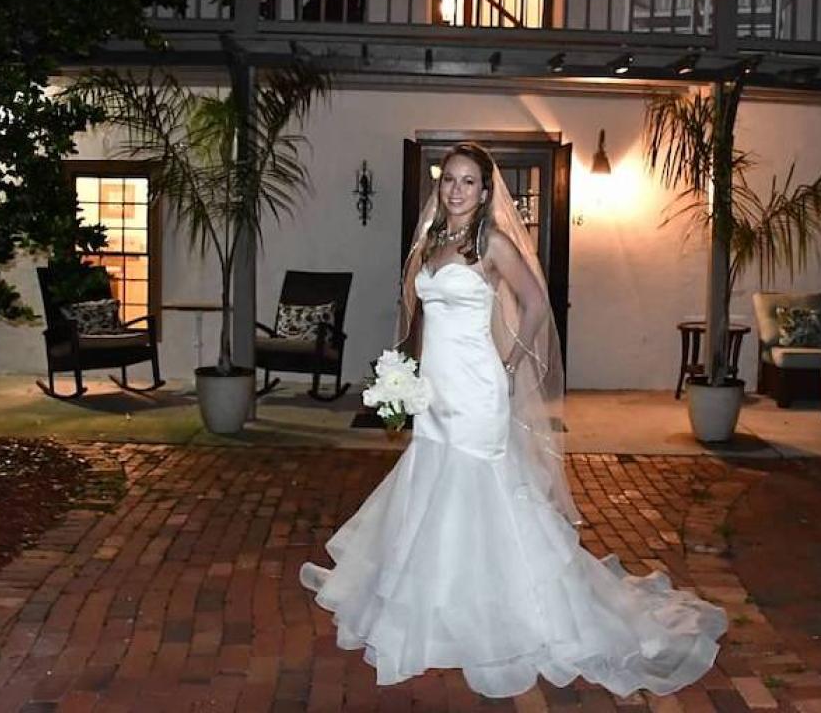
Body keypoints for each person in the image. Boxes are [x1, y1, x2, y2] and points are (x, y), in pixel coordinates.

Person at [300, 143, 726, 699]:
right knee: (432, 483)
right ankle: (438, 596)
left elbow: (535, 305)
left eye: (468, 181)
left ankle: (507, 607)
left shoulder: (493, 243)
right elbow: (420, 311)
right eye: (449, 179)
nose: (456, 190)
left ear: (484, 190)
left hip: (477, 388)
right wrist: (409, 372)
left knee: (481, 488)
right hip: (437, 388)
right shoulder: (431, 240)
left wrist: (507, 363)